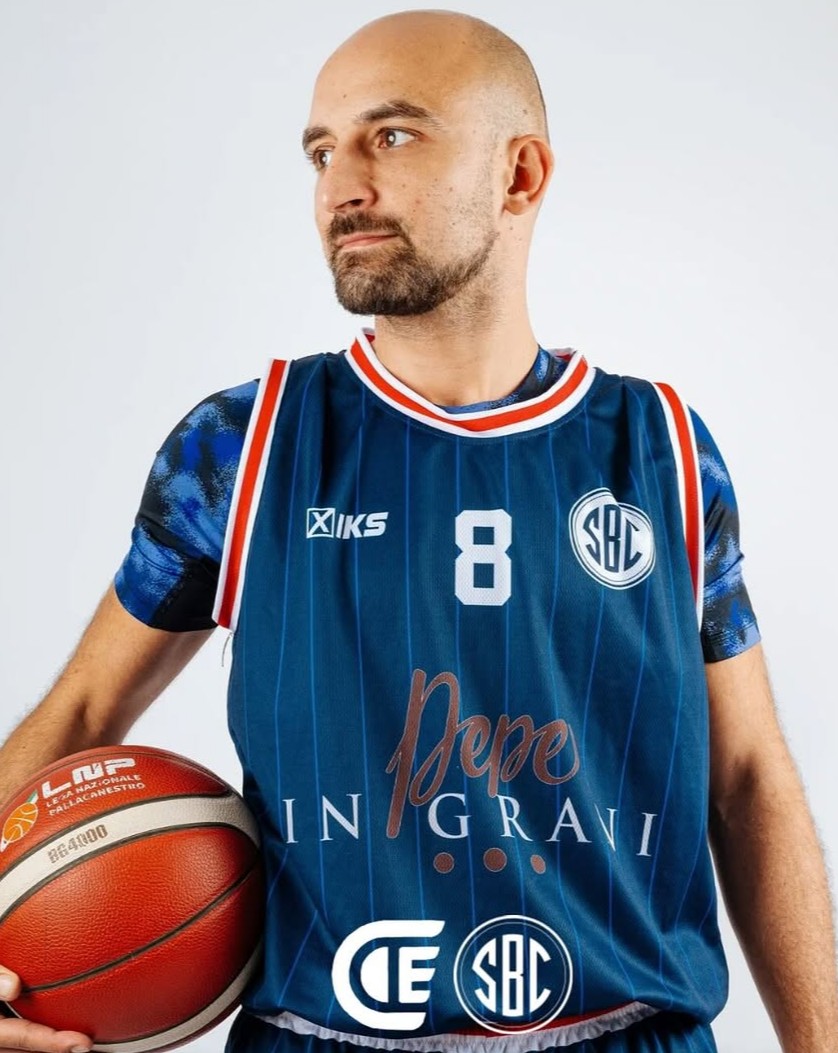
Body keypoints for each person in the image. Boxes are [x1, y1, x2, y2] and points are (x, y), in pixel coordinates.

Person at [0, 9, 836, 1053]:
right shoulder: (240, 447)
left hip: (626, 1029)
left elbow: (746, 777)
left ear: (519, 174)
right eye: (321, 152)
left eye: (390, 136)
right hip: (326, 1032)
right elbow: (84, 711)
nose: (341, 186)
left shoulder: (663, 449)